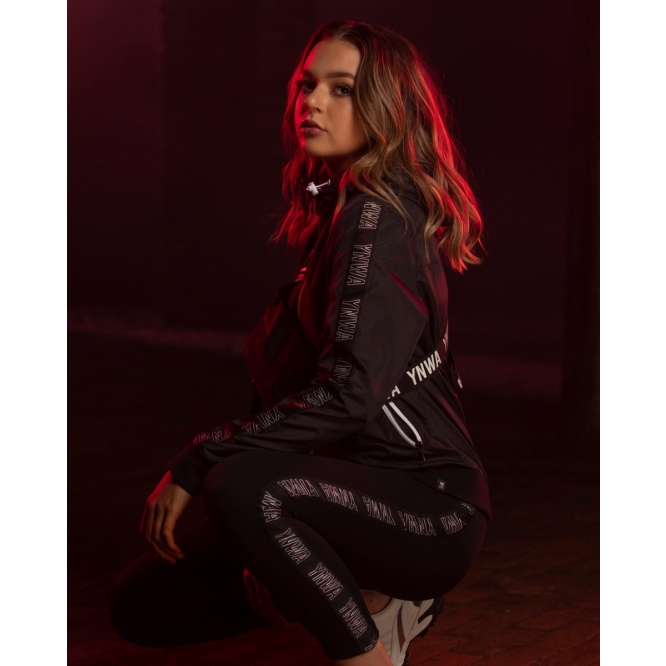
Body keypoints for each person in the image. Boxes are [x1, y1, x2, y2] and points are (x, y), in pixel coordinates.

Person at [110, 19, 490, 666]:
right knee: (144, 602)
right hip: (343, 491)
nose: (312, 102)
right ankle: (379, 598)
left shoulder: (378, 219)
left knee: (237, 486)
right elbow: (291, 372)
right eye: (306, 85)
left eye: (341, 89)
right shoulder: (336, 204)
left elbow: (347, 396)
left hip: (432, 508)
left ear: (385, 108)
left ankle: (372, 649)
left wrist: (199, 459)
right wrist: (271, 545)